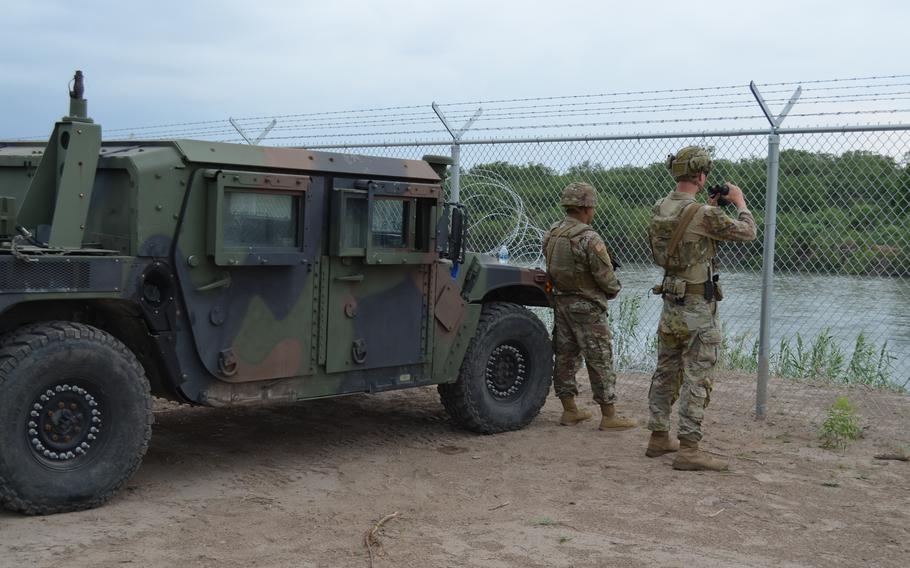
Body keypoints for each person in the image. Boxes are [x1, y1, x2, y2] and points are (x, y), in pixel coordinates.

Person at [645, 146, 757, 470]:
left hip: (671, 303)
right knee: (698, 376)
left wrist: (708, 208)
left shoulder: (660, 207)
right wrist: (739, 202)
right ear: (701, 175)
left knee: (666, 371)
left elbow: (687, 235)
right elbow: (747, 232)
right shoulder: (703, 215)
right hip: (697, 307)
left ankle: (658, 437)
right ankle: (689, 449)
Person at [542, 182, 636, 431]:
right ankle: (609, 415)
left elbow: (550, 267)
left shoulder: (552, 233)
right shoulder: (588, 237)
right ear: (586, 207)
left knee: (565, 356)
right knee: (600, 358)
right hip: (587, 307)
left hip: (561, 303)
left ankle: (570, 410)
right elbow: (605, 277)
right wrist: (613, 289)